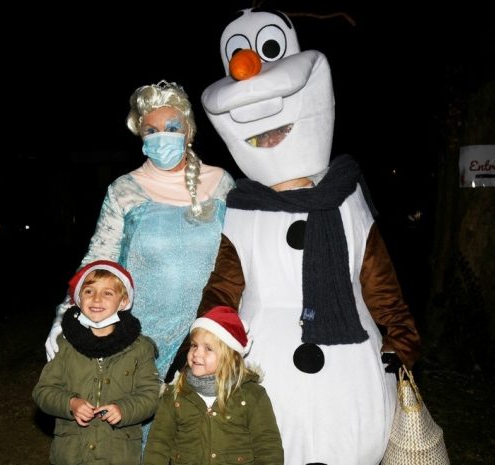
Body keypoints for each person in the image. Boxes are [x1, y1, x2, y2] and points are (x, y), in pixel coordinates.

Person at [175, 8, 421, 465]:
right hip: (264, 367)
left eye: (277, 133)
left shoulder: (347, 198)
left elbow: (381, 285)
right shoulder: (243, 210)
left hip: (350, 370)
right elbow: (225, 287)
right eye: (259, 137)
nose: (269, 140)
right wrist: (205, 342)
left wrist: (400, 344)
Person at [44, 80, 236, 387]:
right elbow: (98, 259)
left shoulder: (222, 184)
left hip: (207, 340)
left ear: (188, 131)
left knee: (201, 432)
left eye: (172, 128)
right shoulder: (124, 190)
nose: (163, 137)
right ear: (141, 136)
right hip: (140, 343)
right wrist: (65, 315)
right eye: (152, 130)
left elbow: (239, 259)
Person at [33, 260, 160, 465]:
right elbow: (43, 391)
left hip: (119, 454)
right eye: (89, 291)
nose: (97, 299)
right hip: (72, 454)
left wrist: (125, 409)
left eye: (108, 293)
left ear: (123, 302)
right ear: (78, 299)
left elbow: (151, 394)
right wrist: (70, 403)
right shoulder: (65, 345)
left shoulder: (140, 348)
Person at [143, 306, 283, 465]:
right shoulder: (175, 394)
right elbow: (158, 445)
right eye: (194, 345)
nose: (196, 353)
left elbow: (268, 447)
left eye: (208, 348)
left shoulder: (252, 395)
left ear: (230, 357)